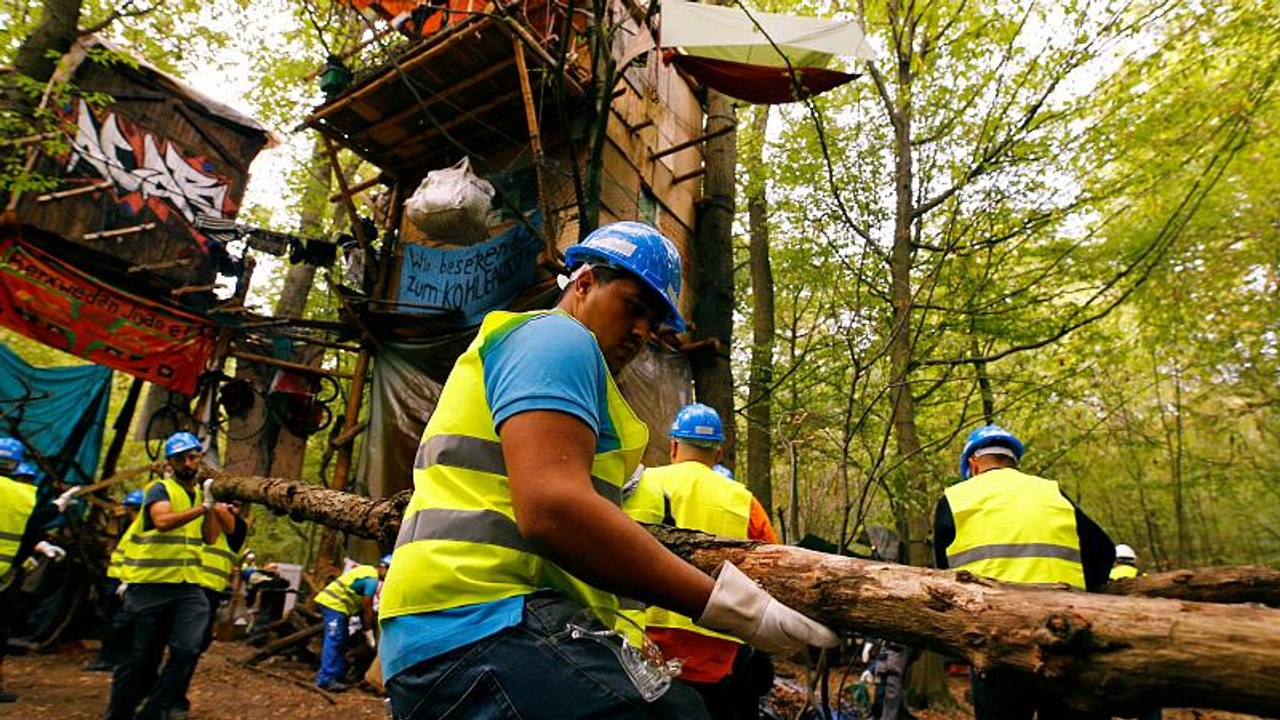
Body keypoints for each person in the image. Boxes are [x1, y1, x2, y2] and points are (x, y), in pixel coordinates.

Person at [378, 222, 838, 720]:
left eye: (654, 321)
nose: (642, 331)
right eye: (633, 306)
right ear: (584, 283)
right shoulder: (558, 337)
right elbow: (554, 508)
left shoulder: (567, 379)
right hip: (484, 623)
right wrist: (737, 609)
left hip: (452, 634)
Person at [934, 424, 1114, 720]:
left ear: (973, 464)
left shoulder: (954, 499)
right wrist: (1084, 597)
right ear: (1011, 459)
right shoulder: (1051, 493)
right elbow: (1104, 551)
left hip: (994, 641)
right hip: (1060, 637)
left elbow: (944, 577)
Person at [622, 402, 780, 720]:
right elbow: (776, 573)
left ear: (674, 446)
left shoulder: (641, 485)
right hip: (718, 657)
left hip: (641, 648)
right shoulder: (744, 501)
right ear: (718, 454)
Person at [104, 431, 220, 720]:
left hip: (187, 588)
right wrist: (201, 508)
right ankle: (119, 713)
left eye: (193, 456)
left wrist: (211, 508)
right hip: (149, 588)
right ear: (170, 462)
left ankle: (155, 710)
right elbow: (162, 521)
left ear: (199, 458)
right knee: (138, 659)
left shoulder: (199, 494)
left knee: (187, 649)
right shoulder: (160, 489)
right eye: (180, 458)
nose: (188, 463)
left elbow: (210, 537)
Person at [0, 436, 76, 702]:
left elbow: (22, 531)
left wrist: (39, 546)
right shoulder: (18, 495)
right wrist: (58, 505)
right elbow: (32, 522)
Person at [167, 500, 249, 717]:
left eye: (236, 505)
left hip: (207, 594)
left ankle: (174, 699)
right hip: (179, 585)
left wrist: (212, 503)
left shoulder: (238, 527)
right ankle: (157, 695)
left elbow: (224, 515)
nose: (231, 507)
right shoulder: (197, 518)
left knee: (190, 649)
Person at [84, 489, 146, 672]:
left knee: (122, 623)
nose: (131, 514)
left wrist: (129, 581)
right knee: (110, 620)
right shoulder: (128, 528)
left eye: (135, 510)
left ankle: (119, 659)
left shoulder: (145, 529)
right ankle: (108, 657)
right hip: (115, 578)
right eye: (130, 510)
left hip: (129, 580)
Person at [313, 556, 387, 692]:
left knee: (341, 640)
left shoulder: (367, 570)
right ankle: (325, 679)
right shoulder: (372, 580)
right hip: (334, 604)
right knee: (334, 640)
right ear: (383, 567)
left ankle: (337, 674)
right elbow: (366, 607)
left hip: (339, 607)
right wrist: (368, 630)